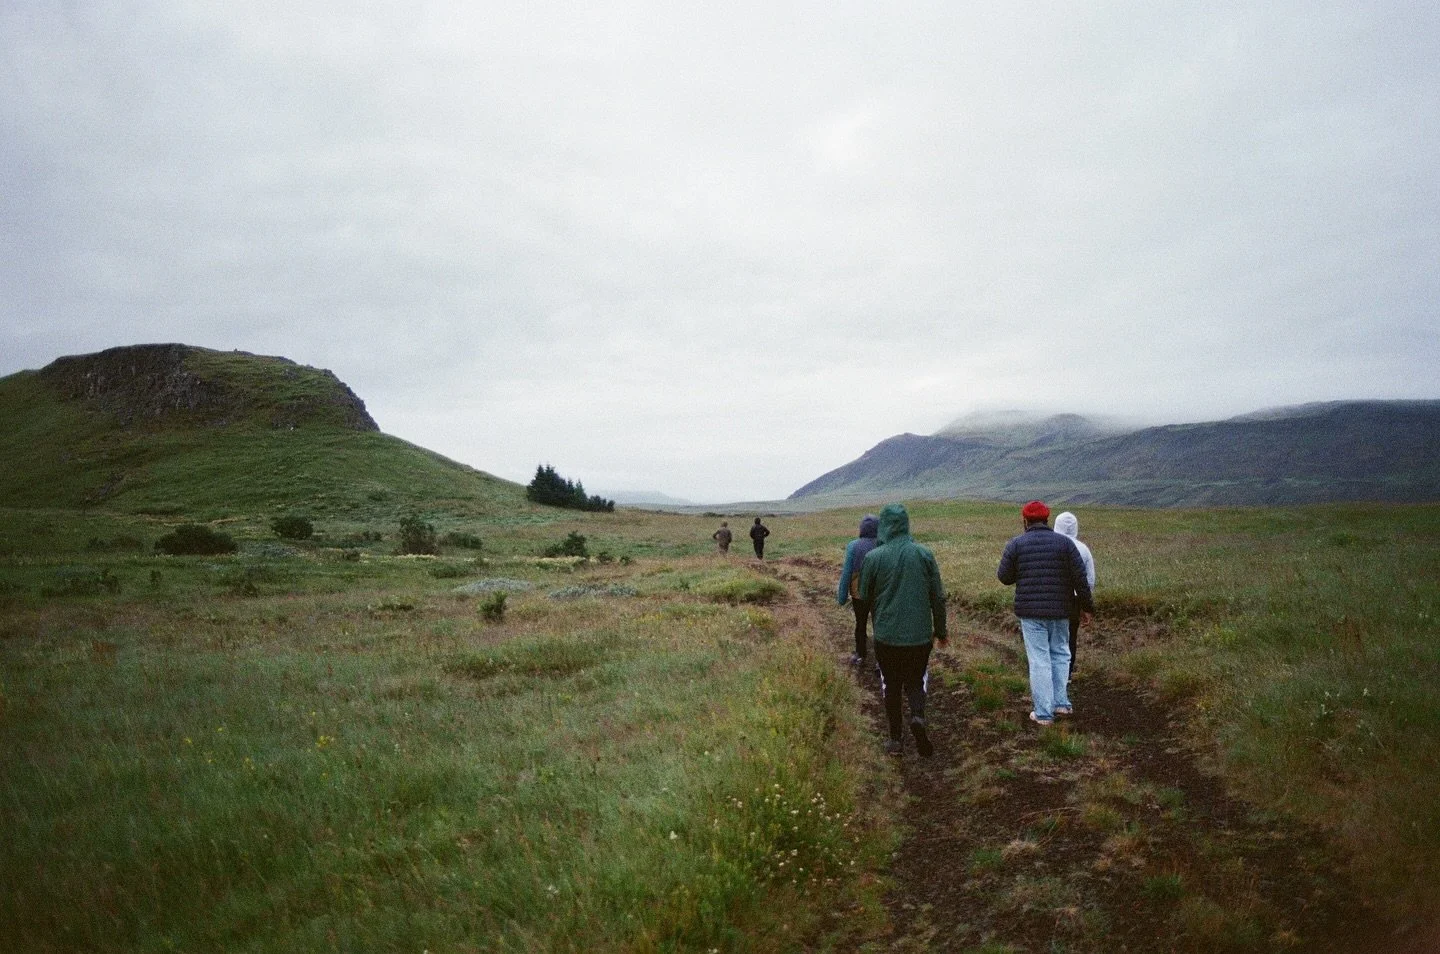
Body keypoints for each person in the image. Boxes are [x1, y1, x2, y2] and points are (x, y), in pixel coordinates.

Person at [857, 503, 948, 756]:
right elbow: (938, 597)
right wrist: (940, 631)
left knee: (891, 685)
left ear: (883, 526)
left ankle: (895, 739)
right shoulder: (924, 554)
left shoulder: (873, 558)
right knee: (917, 680)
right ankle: (917, 716)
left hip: (886, 636)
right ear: (906, 524)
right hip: (919, 636)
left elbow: (864, 595)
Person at [997, 500, 1094, 726]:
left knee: (1039, 659)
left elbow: (1004, 577)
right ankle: (1061, 703)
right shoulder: (1065, 544)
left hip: (1030, 611)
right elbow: (1081, 579)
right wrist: (1087, 607)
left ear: (1025, 521)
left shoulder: (1016, 544)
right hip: (1062, 610)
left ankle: (1043, 713)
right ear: (1047, 519)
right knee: (1061, 653)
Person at [1053, 511, 1095, 678]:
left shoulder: (1053, 545)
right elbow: (1089, 579)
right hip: (1075, 599)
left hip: (1054, 596)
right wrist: (1086, 605)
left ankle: (1052, 672)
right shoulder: (1083, 549)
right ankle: (1067, 673)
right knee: (1070, 636)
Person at [836, 514, 880, 666]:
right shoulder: (883, 544)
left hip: (858, 593)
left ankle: (860, 654)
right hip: (879, 594)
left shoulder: (853, 546)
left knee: (860, 624)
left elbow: (847, 572)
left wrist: (842, 596)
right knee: (879, 625)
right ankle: (881, 660)